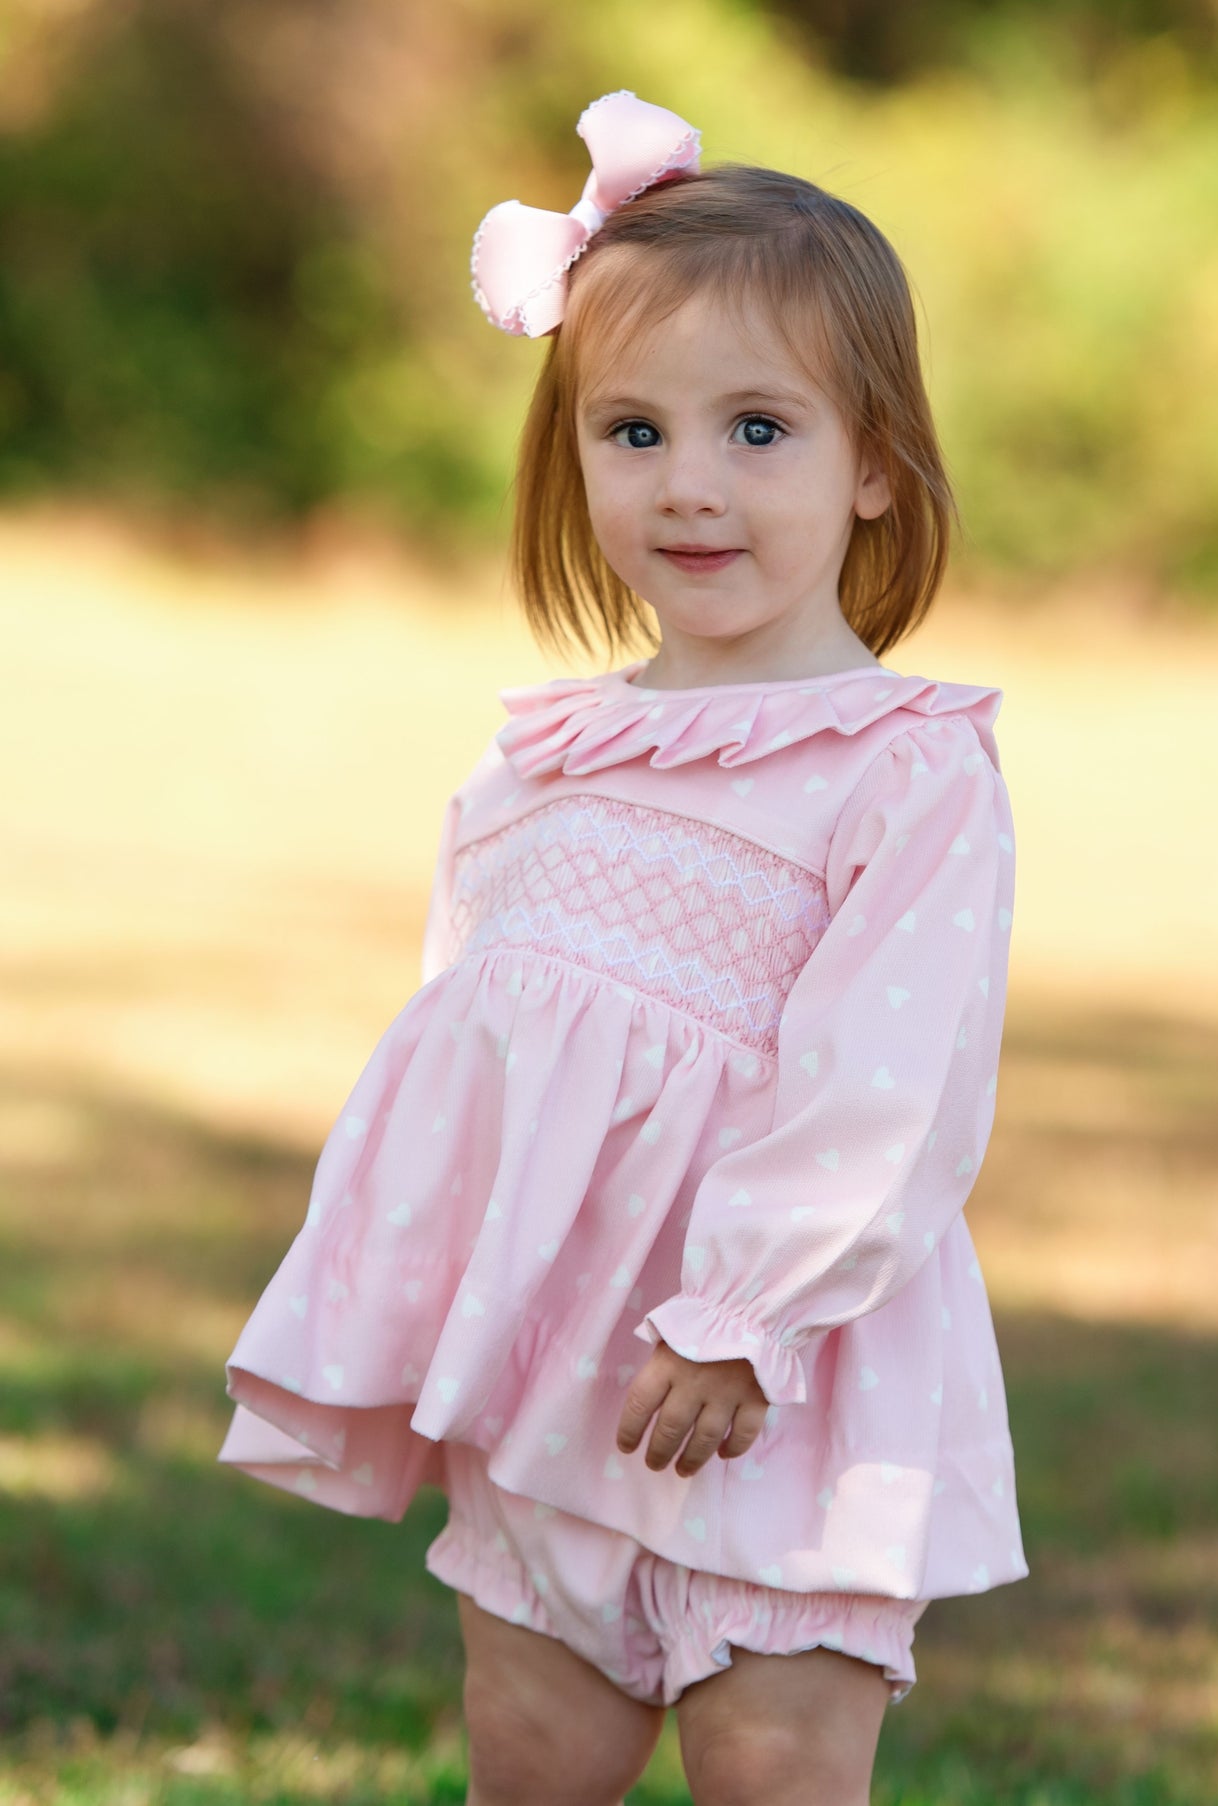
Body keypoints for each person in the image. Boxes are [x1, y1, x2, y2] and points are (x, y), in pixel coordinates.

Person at [219, 89, 1027, 1806]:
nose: (689, 485)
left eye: (758, 428)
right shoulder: (538, 759)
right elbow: (473, 1043)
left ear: (872, 459)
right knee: (529, 1754)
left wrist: (746, 1311)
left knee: (773, 1767)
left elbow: (889, 1076)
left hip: (771, 1387)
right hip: (554, 1385)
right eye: (632, 432)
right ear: (570, 453)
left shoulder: (902, 765)